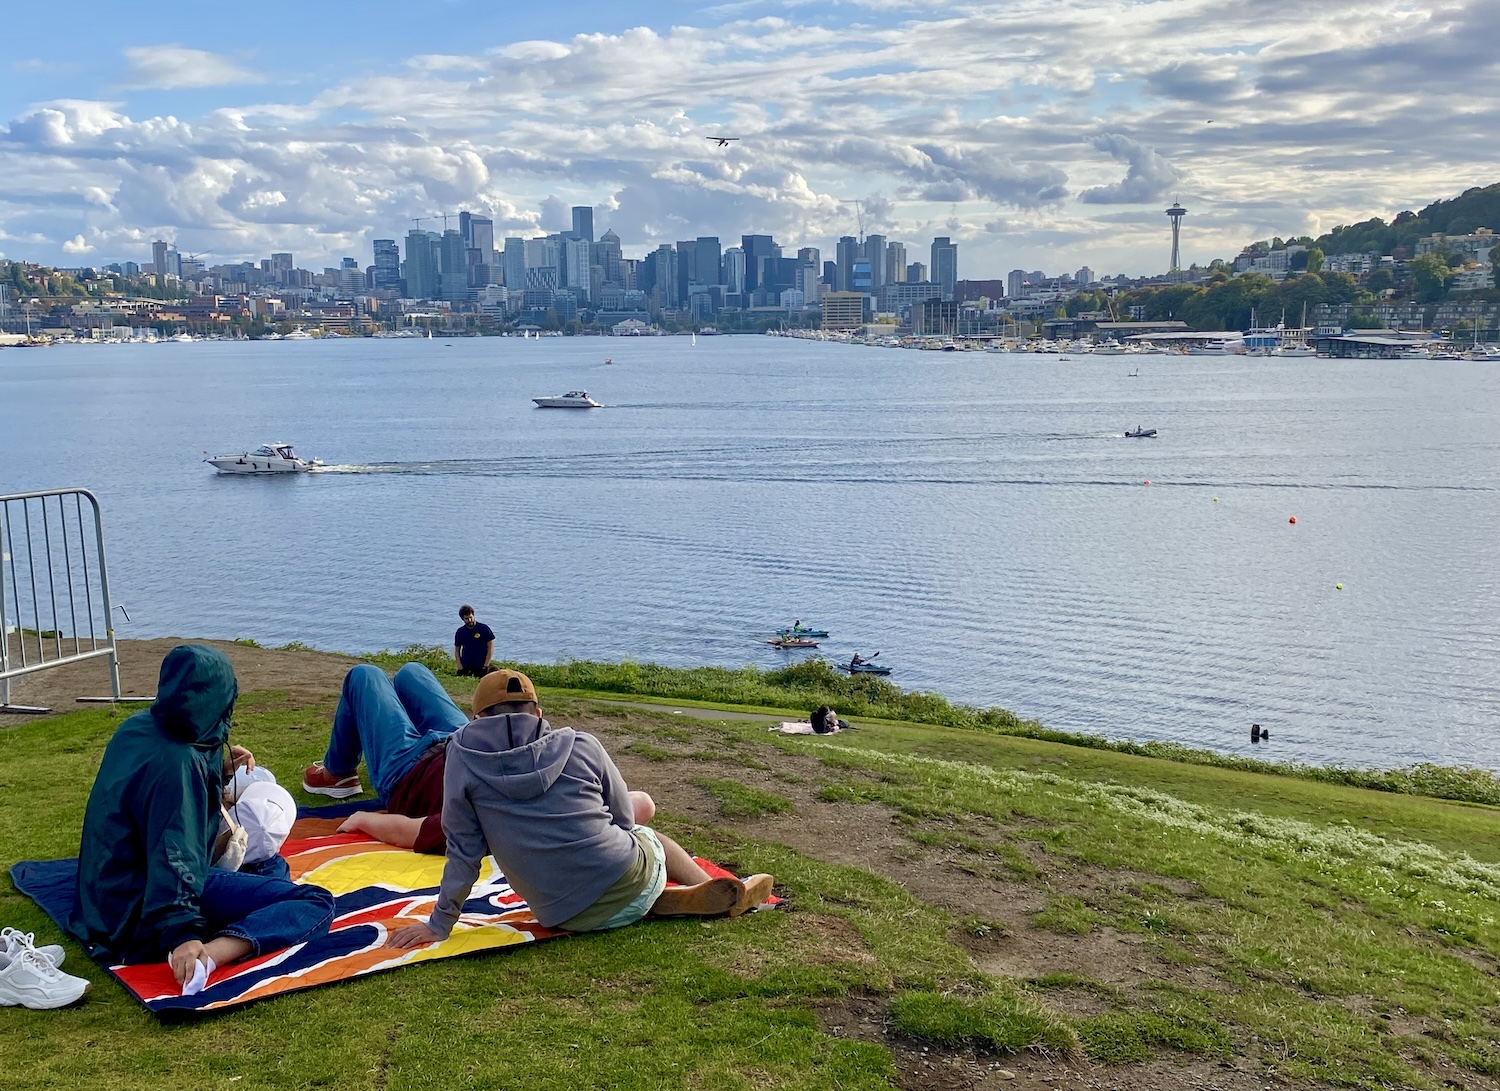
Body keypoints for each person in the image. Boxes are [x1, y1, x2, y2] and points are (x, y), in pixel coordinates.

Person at [387, 670, 773, 947]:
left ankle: (642, 901)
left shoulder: (460, 757)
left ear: (476, 718)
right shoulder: (582, 744)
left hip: (557, 911)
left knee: (613, 865)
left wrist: (440, 925)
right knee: (649, 837)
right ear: (537, 713)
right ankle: (688, 888)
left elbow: (464, 850)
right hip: (622, 872)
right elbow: (624, 819)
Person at [70, 645, 335, 988]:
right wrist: (182, 934)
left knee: (271, 866)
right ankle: (212, 954)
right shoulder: (179, 768)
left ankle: (235, 915)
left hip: (107, 892)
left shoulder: (137, 727)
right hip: (136, 912)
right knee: (314, 902)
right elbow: (175, 855)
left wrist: (220, 765)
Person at [303, 662, 657, 853]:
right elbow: (642, 805)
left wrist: (364, 818)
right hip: (460, 741)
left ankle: (338, 772)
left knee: (366, 676)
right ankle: (338, 769)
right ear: (538, 716)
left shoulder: (488, 814)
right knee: (411, 672)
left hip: (409, 771)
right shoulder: (562, 761)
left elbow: (416, 832)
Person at [453, 605, 495, 677]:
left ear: (473, 615)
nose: (469, 620)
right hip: (466, 667)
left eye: (470, 617)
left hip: (481, 666)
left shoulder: (484, 629)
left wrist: (485, 666)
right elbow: (457, 651)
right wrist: (460, 667)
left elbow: (490, 648)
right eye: (466, 618)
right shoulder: (460, 632)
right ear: (462, 619)